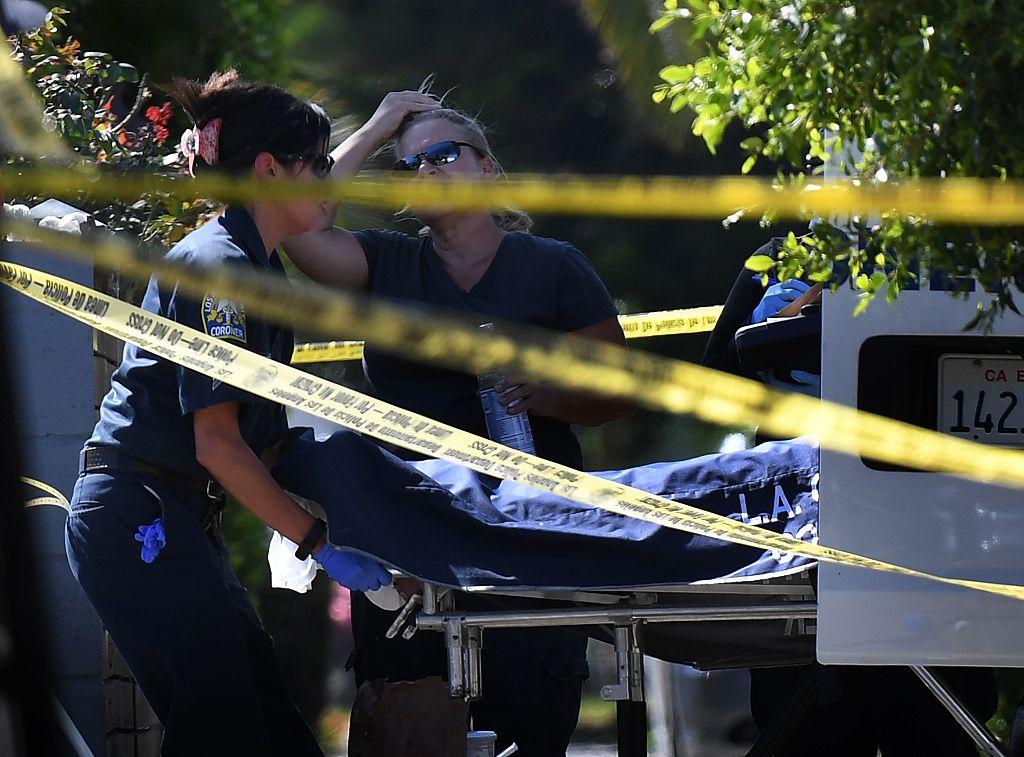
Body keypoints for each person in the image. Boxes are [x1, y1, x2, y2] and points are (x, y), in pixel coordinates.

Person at [284, 91, 633, 754]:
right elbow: (299, 225)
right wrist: (379, 125)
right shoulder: (384, 261)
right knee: (412, 724)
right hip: (411, 552)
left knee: (533, 718)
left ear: (489, 167)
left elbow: (620, 390)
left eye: (444, 154)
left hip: (530, 542)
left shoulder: (553, 266)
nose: (427, 169)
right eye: (409, 164)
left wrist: (549, 395)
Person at [65, 70, 390, 757]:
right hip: (139, 515)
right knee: (225, 733)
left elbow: (261, 443)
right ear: (272, 170)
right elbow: (218, 445)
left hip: (177, 518)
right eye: (321, 164)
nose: (332, 184)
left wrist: (366, 506)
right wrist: (317, 540)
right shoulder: (222, 270)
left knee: (273, 729)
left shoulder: (258, 271)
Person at [703, 237, 997, 756]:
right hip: (811, 533)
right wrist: (771, 330)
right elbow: (714, 377)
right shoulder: (783, 256)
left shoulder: (956, 255)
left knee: (935, 726)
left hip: (935, 535)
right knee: (809, 726)